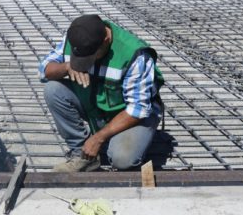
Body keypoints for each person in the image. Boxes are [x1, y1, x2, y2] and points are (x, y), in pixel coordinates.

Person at [39, 14, 164, 172]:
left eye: (90, 57)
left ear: (105, 40)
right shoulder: (79, 38)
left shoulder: (135, 55)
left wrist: (98, 138)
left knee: (122, 160)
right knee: (53, 89)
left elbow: (137, 109)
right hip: (98, 107)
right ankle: (83, 156)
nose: (85, 62)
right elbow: (44, 70)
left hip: (131, 116)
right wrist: (66, 67)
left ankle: (132, 139)